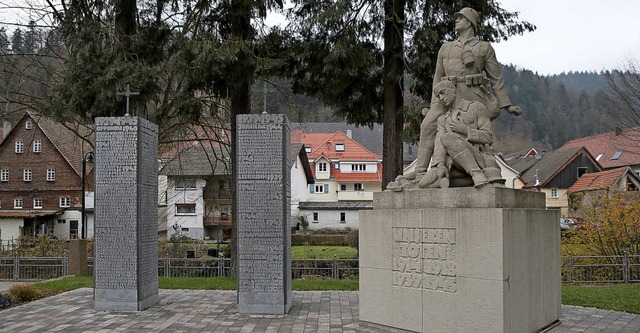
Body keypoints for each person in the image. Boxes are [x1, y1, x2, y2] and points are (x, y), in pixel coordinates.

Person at [402, 7, 521, 184]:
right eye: (456, 18)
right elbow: (437, 77)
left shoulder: (483, 48)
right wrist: (435, 103)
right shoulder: (446, 48)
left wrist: (506, 105)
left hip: (472, 94)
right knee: (427, 125)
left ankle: (475, 168)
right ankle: (420, 172)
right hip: (447, 93)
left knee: (469, 128)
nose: (456, 21)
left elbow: (496, 78)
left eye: (460, 18)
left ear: (470, 22)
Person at [418, 80, 504, 188]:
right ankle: (463, 179)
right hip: (454, 164)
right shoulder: (443, 119)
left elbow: (488, 137)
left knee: (448, 138)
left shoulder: (476, 108)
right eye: (438, 96)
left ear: (453, 88)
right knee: (424, 183)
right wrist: (440, 165)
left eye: (442, 92)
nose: (441, 98)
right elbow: (439, 146)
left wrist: (465, 130)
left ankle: (476, 173)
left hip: (478, 158)